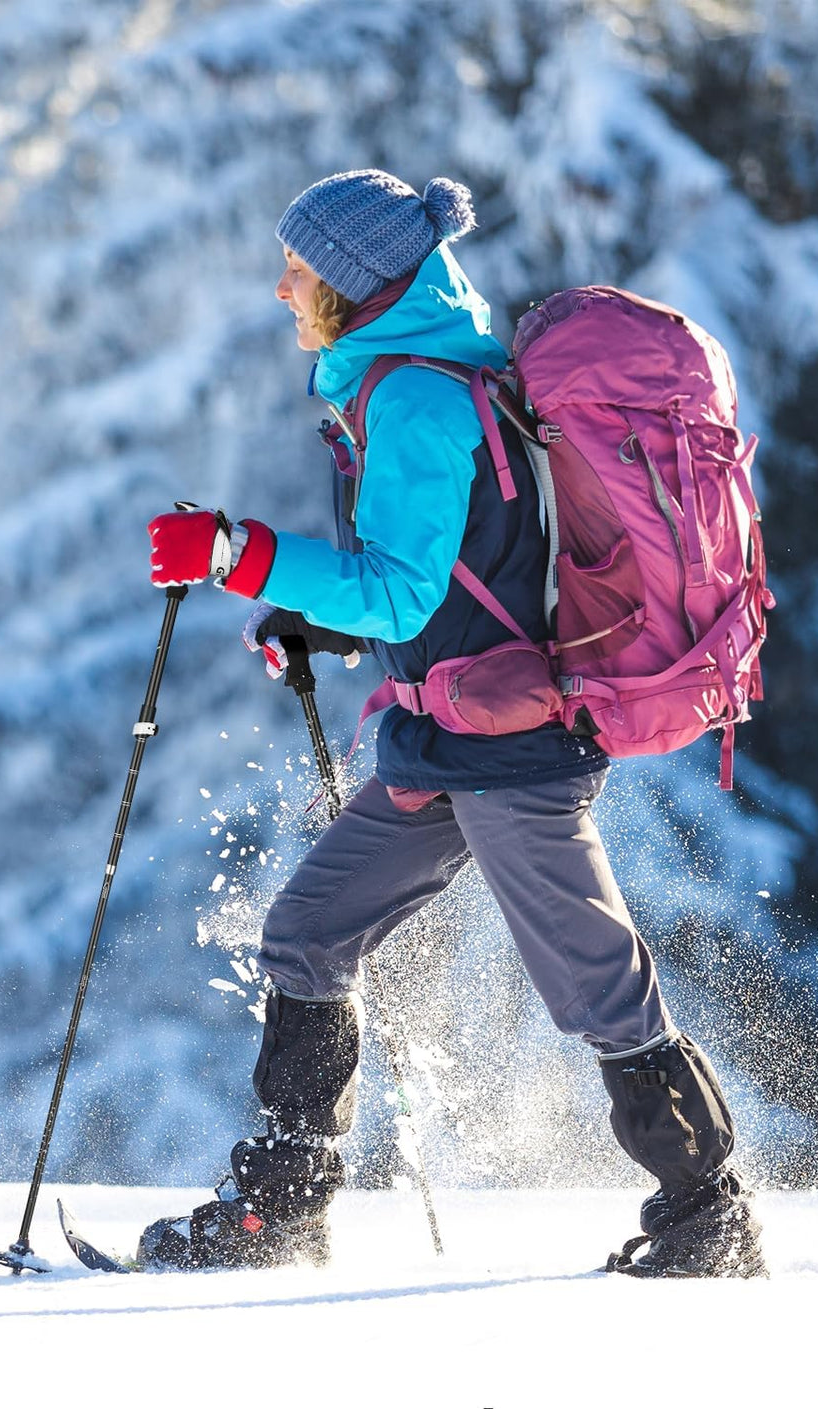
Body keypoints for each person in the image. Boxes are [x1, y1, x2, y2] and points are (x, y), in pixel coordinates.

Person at [142, 169, 766, 1278]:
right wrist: (314, 620)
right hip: (447, 737)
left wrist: (241, 556)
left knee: (597, 985)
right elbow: (471, 573)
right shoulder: (414, 379)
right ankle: (281, 1209)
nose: (282, 288)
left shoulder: (419, 399)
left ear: (354, 284)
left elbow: (399, 592)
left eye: (299, 269)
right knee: (308, 932)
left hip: (510, 753)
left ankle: (708, 1212)